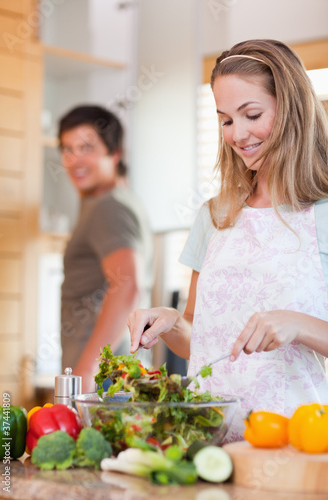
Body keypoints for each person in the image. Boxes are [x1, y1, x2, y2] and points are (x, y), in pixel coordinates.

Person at [128, 39, 328, 441]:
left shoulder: (322, 213)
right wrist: (169, 323)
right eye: (225, 120)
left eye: (251, 114)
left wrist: (299, 325)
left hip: (297, 444)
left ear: (291, 109)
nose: (238, 134)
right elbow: (198, 342)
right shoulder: (215, 216)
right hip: (207, 443)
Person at [59, 105, 154, 393]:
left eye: (86, 147)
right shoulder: (119, 201)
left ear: (114, 154)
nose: (74, 159)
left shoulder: (108, 207)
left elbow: (127, 284)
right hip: (116, 375)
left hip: (104, 380)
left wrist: (87, 370)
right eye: (67, 149)